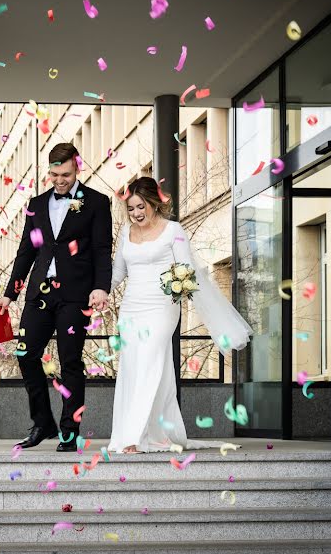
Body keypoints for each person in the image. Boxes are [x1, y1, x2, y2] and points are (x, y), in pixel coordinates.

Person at [107, 177, 252, 454]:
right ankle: (152, 432)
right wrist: (101, 292)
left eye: (141, 207)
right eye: (131, 209)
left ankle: (134, 437)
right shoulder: (126, 233)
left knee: (150, 360)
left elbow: (186, 269)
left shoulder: (173, 229)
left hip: (162, 305)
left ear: (154, 203)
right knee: (134, 367)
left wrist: (175, 287)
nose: (136, 214)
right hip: (132, 308)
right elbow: (118, 272)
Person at [0, 143, 112, 452]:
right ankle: (42, 422)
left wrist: (102, 286)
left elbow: (103, 249)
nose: (60, 180)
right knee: (25, 354)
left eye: (66, 174)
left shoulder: (97, 203)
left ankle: (69, 431)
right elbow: (27, 251)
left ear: (78, 169)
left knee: (70, 362)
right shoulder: (35, 204)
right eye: (54, 174)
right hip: (40, 291)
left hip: (75, 294)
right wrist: (11, 292)